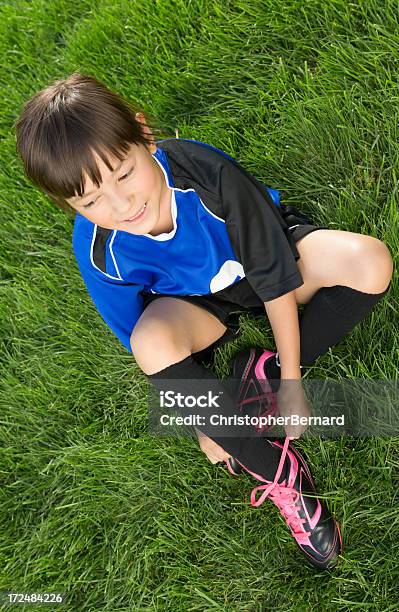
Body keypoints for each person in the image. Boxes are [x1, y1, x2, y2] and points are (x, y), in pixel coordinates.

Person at [15, 73, 393, 570]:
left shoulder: (206, 171)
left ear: (143, 134)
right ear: (70, 205)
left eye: (124, 174)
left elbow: (274, 277)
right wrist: (205, 422)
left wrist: (293, 383)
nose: (121, 205)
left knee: (370, 261)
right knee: (151, 341)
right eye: (90, 201)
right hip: (200, 306)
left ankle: (265, 376)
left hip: (267, 264)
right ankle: (283, 477)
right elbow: (145, 342)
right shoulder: (99, 252)